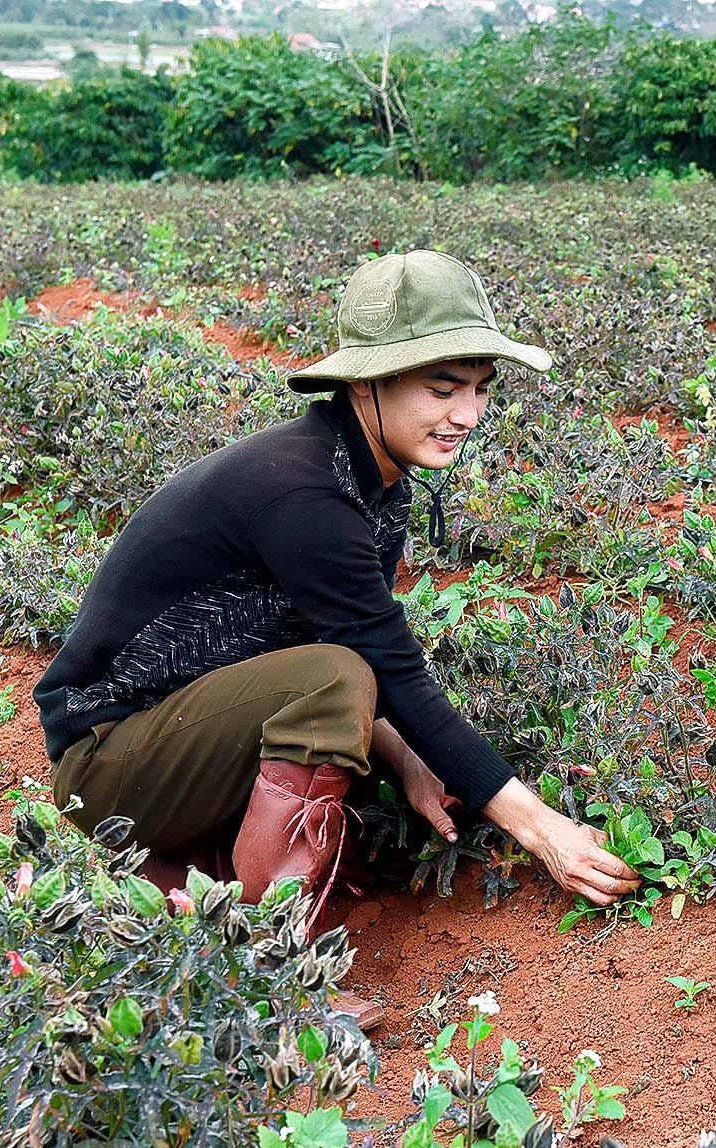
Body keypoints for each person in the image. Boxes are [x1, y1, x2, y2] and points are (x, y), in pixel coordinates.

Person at [35, 252, 639, 1025]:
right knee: (333, 682)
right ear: (365, 382)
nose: (467, 415)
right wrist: (542, 827)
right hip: (109, 764)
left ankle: (189, 880)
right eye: (442, 388)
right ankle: (268, 972)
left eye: (480, 389)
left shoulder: (369, 475)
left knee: (348, 696)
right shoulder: (303, 489)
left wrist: (411, 760)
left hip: (176, 739)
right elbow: (378, 666)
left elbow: (354, 644)